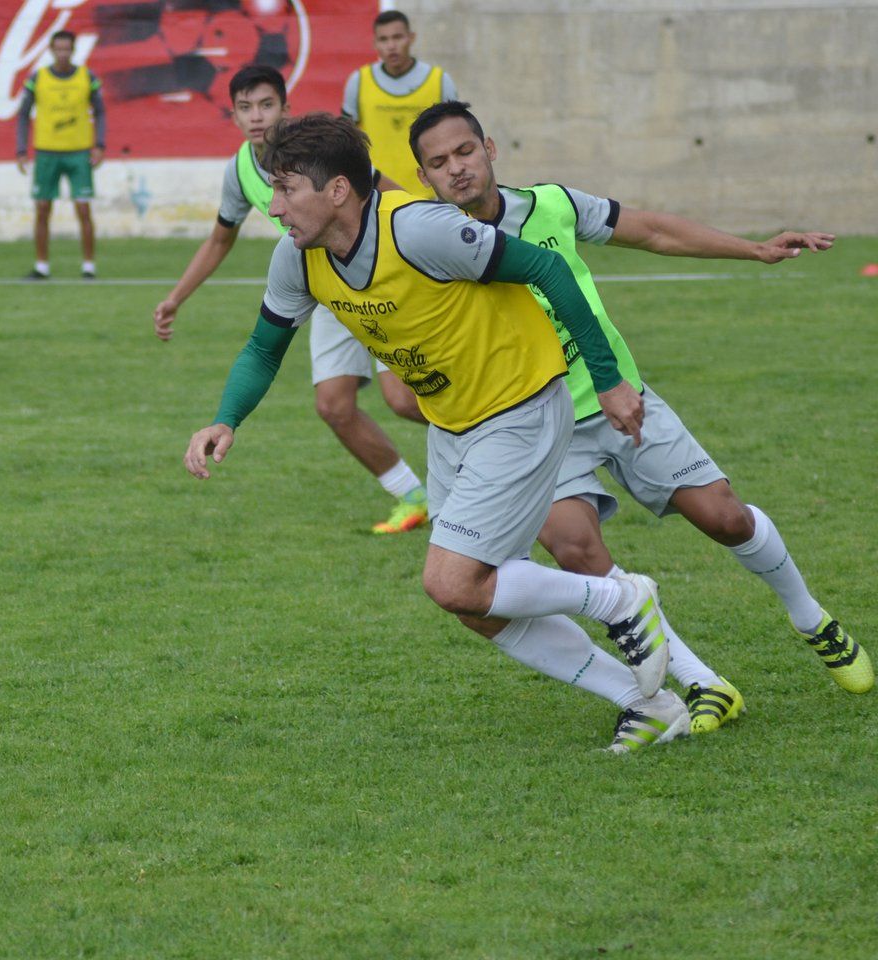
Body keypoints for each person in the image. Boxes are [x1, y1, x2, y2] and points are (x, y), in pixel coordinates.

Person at [185, 113, 691, 754]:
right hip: (452, 423)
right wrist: (225, 419)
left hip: (522, 404)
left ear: (337, 190)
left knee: (451, 582)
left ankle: (619, 599)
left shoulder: (418, 229)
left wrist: (612, 380)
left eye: (286, 190)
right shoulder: (299, 258)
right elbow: (263, 347)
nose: (275, 206)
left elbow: (551, 272)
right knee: (474, 605)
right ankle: (645, 703)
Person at [408, 100, 873, 729]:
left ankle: (810, 617)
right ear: (425, 179)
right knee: (576, 549)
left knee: (725, 518)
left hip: (619, 397)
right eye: (438, 163)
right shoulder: (431, 250)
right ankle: (703, 684)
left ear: (490, 148)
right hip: (530, 428)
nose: (456, 169)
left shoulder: (553, 205)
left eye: (464, 151)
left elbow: (652, 230)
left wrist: (754, 250)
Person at [155, 65, 430, 536]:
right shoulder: (241, 171)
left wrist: (422, 242)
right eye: (245, 107)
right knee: (333, 407)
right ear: (234, 115)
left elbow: (388, 197)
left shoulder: (321, 154)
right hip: (323, 290)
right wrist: (176, 298)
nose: (256, 116)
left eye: (266, 104)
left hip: (381, 283)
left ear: (286, 106)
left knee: (403, 399)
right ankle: (413, 495)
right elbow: (220, 241)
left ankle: (493, 431)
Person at [15, 30, 106, 280]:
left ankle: (89, 266)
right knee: (42, 208)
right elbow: (23, 114)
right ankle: (41, 266)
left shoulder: (86, 77)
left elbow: (100, 111)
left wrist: (99, 144)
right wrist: (21, 149)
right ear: (51, 50)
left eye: (67, 49)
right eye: (59, 49)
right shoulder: (38, 77)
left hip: (79, 152)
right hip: (46, 152)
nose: (63, 53)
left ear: (73, 50)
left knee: (83, 208)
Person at [342, 10, 458, 201]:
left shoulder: (439, 81)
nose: (391, 46)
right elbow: (346, 143)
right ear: (375, 43)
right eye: (384, 39)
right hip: (375, 196)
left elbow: (455, 136)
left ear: (411, 38)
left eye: (397, 37)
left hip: (431, 197)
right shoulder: (359, 81)